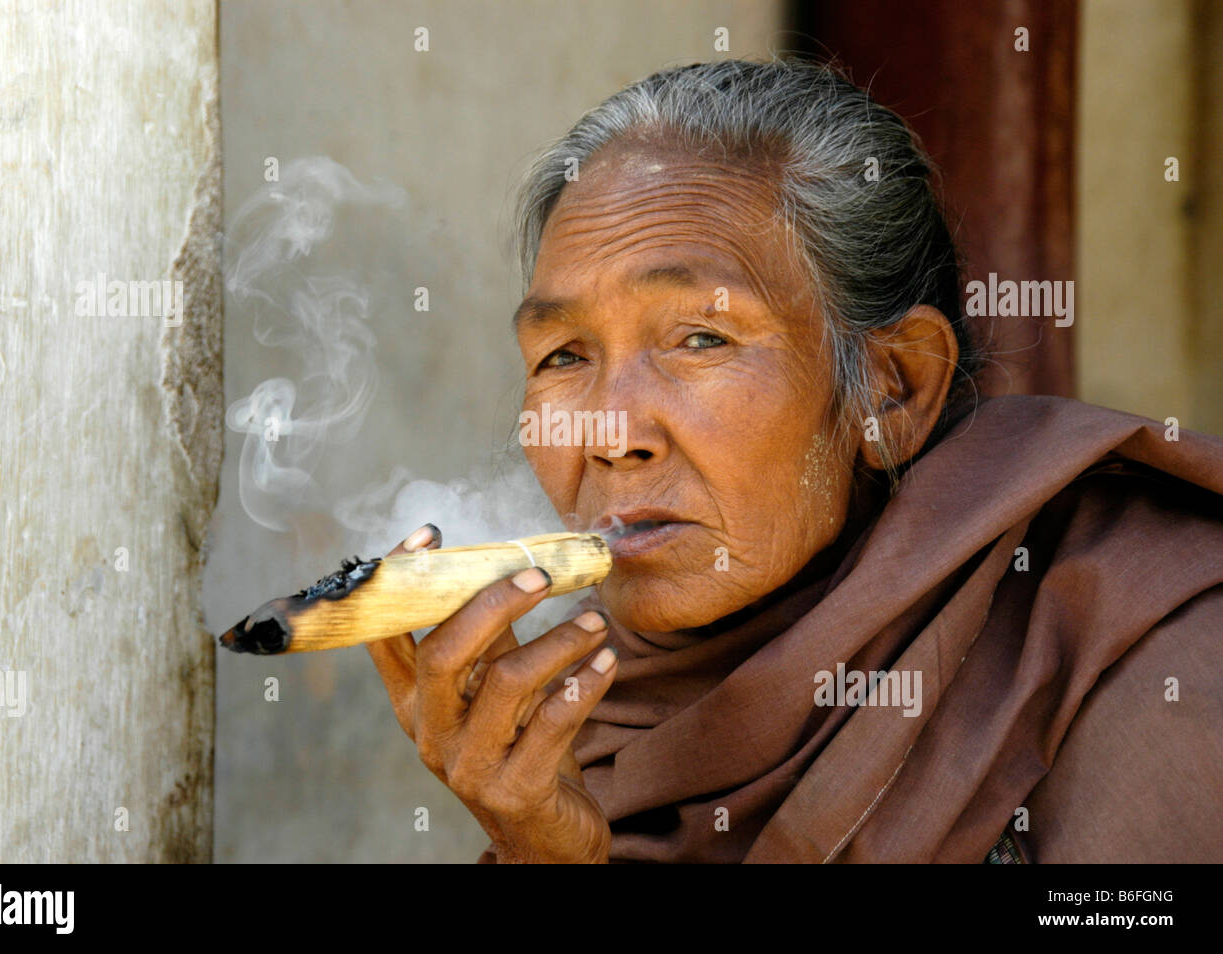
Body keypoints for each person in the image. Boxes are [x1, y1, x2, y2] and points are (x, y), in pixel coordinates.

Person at [364, 58, 1223, 863]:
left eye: (702, 338)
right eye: (562, 356)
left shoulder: (1157, 660)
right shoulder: (591, 721)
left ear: (892, 388)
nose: (604, 434)